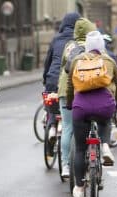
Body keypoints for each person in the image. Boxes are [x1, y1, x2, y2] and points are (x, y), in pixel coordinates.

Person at [66, 30, 117, 197]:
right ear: (102, 46)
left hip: (81, 107)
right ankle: (105, 145)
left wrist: (70, 104)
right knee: (105, 122)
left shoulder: (77, 60)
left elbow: (70, 85)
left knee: (81, 149)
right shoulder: (109, 60)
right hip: (103, 106)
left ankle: (79, 187)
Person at [57, 17, 97, 177]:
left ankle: (65, 166)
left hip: (65, 90)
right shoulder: (92, 46)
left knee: (67, 127)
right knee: (90, 124)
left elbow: (62, 67)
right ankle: (90, 157)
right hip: (85, 91)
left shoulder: (69, 46)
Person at [42, 12, 80, 177]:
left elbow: (48, 61)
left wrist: (46, 78)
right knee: (69, 124)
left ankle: (51, 126)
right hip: (71, 82)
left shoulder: (56, 39)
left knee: (52, 105)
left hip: (52, 80)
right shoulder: (78, 40)